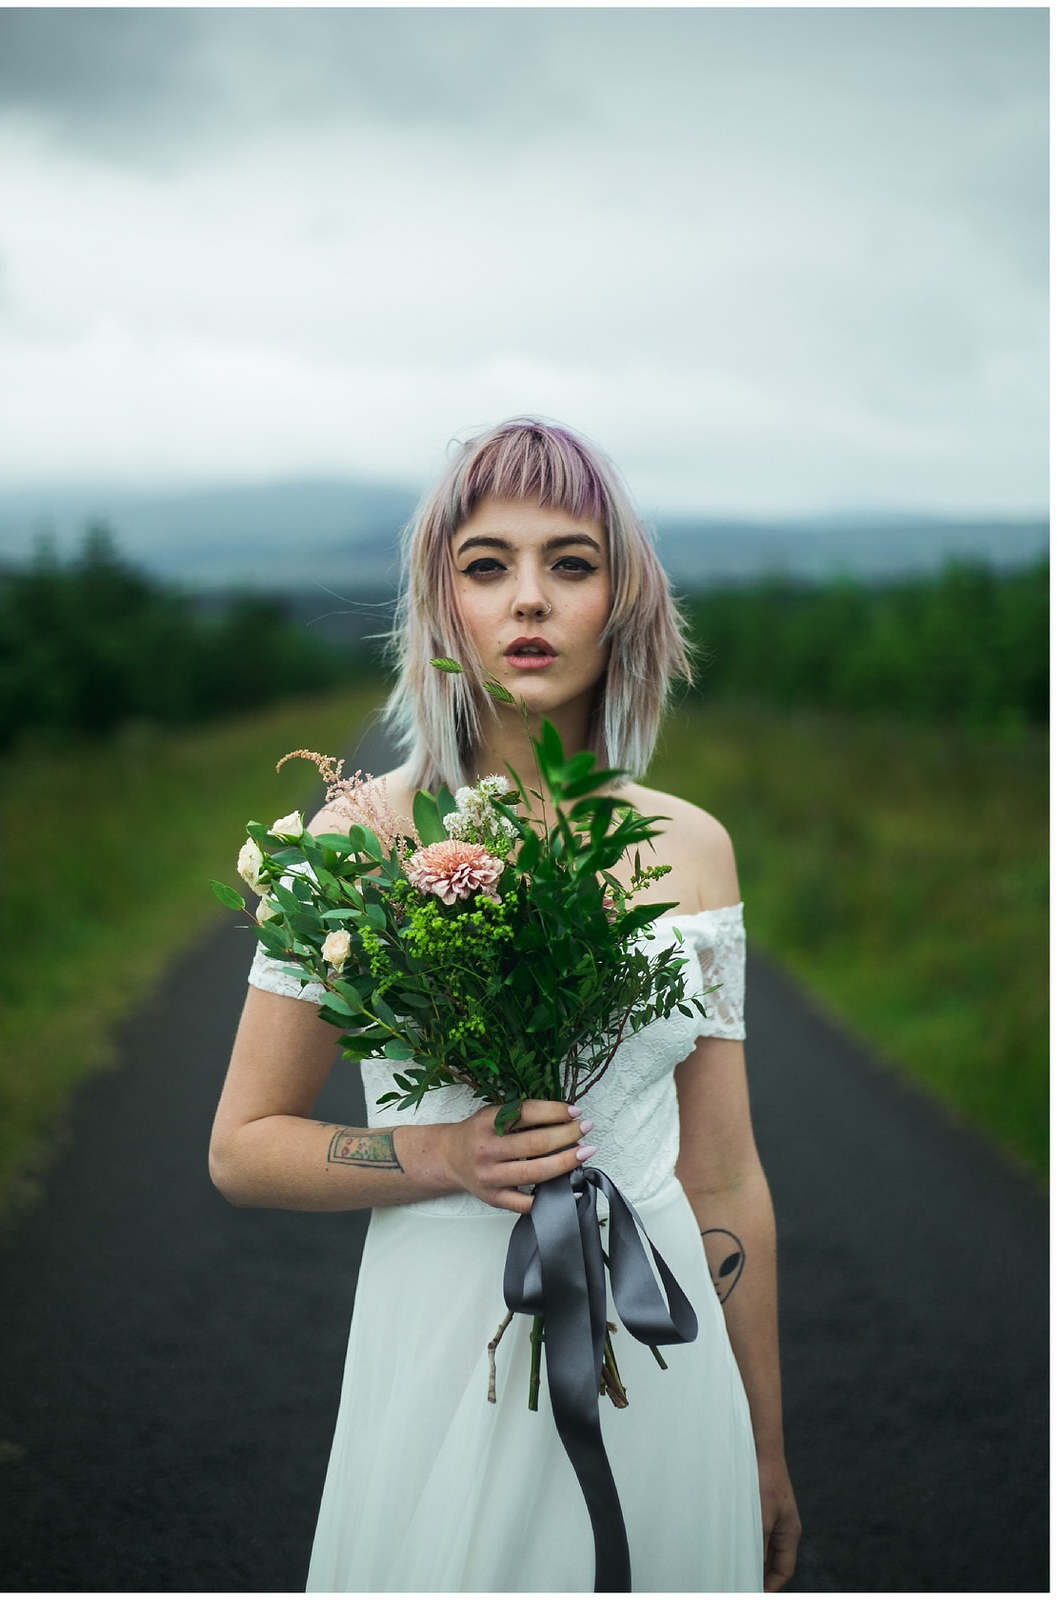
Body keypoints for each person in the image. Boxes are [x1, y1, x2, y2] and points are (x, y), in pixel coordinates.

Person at [209, 418, 801, 1593]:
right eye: (488, 565)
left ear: (620, 602)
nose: (529, 598)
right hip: (446, 1339)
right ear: (443, 607)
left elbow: (724, 1174)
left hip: (663, 1349)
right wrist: (441, 1153)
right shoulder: (360, 838)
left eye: (570, 564)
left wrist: (765, 1443)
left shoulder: (693, 850)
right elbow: (242, 1146)